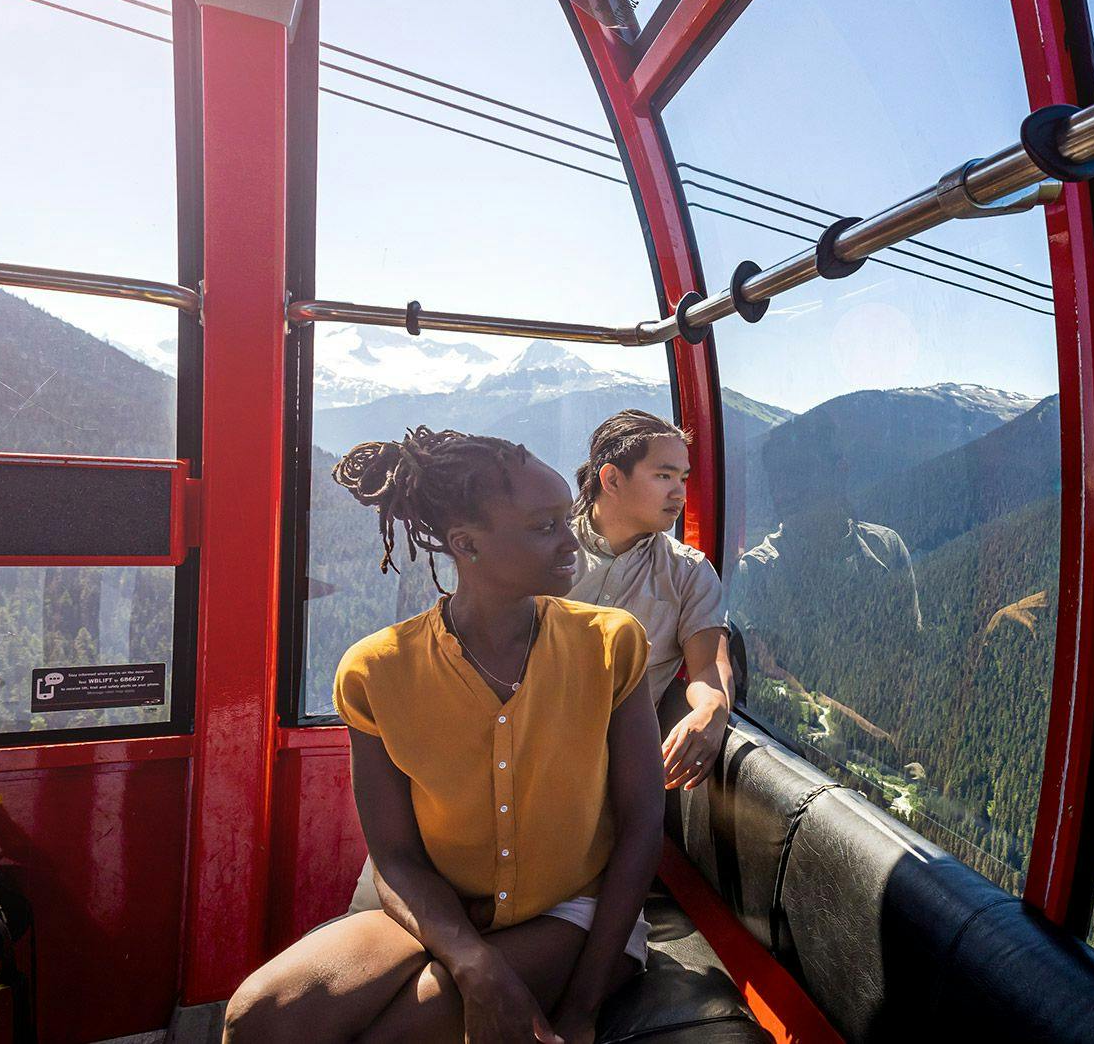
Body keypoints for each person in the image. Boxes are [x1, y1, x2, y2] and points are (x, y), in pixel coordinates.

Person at [225, 428, 661, 1044]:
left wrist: (583, 1009)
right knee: (259, 1019)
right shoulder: (376, 672)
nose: (572, 541)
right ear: (466, 544)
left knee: (404, 1031)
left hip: (573, 908)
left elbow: (644, 821)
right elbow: (396, 855)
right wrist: (472, 960)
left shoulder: (611, 644)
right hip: (436, 905)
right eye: (545, 526)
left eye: (568, 518)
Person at [568, 410, 734, 791]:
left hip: (610, 780)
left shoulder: (688, 574)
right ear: (611, 479)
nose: (679, 492)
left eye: (683, 478)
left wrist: (713, 708)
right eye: (663, 476)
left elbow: (708, 667)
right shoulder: (547, 553)